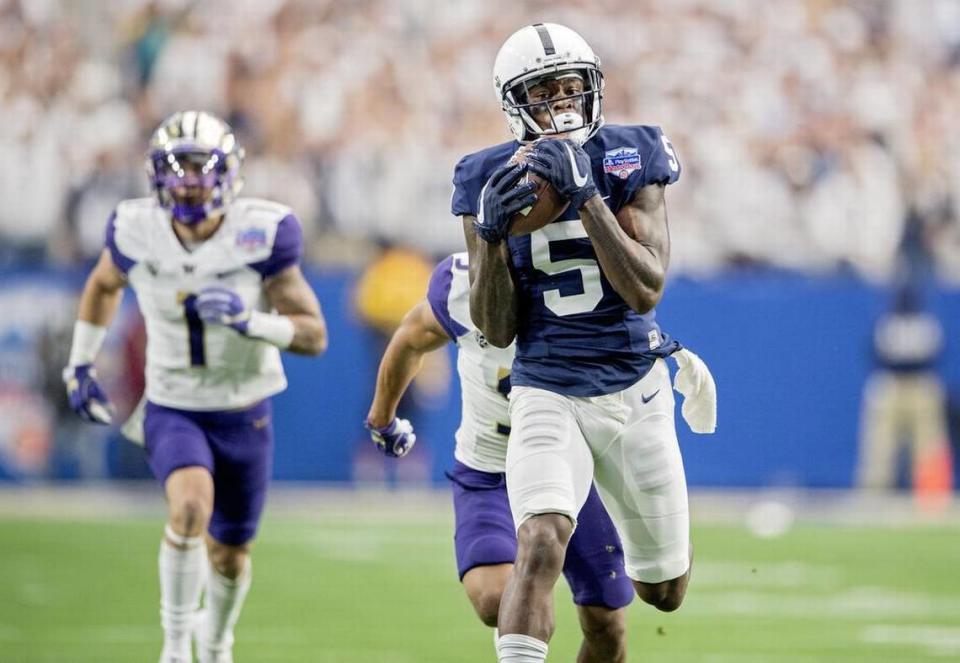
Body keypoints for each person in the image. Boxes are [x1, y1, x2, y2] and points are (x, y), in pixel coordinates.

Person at [453, 24, 717, 662]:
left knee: (664, 590)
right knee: (540, 542)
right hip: (546, 387)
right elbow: (496, 328)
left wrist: (586, 195)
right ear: (514, 102)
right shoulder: (484, 175)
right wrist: (489, 234)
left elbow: (646, 288)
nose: (564, 102)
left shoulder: (634, 153)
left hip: (634, 388)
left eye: (572, 86)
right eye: (544, 91)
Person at [62, 110, 327, 663]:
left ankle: (216, 640)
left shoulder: (262, 231)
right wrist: (80, 363)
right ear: (156, 174)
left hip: (243, 408)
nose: (187, 180)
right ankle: (177, 645)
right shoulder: (136, 228)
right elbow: (104, 284)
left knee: (231, 554)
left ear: (229, 174)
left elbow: (313, 335)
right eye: (175, 168)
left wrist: (251, 321)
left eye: (199, 167)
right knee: (188, 509)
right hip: (172, 403)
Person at [365, 252, 633, 663]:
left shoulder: (583, 282)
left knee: (607, 624)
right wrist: (382, 416)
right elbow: (412, 335)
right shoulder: (462, 285)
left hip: (568, 468)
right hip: (491, 466)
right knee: (495, 598)